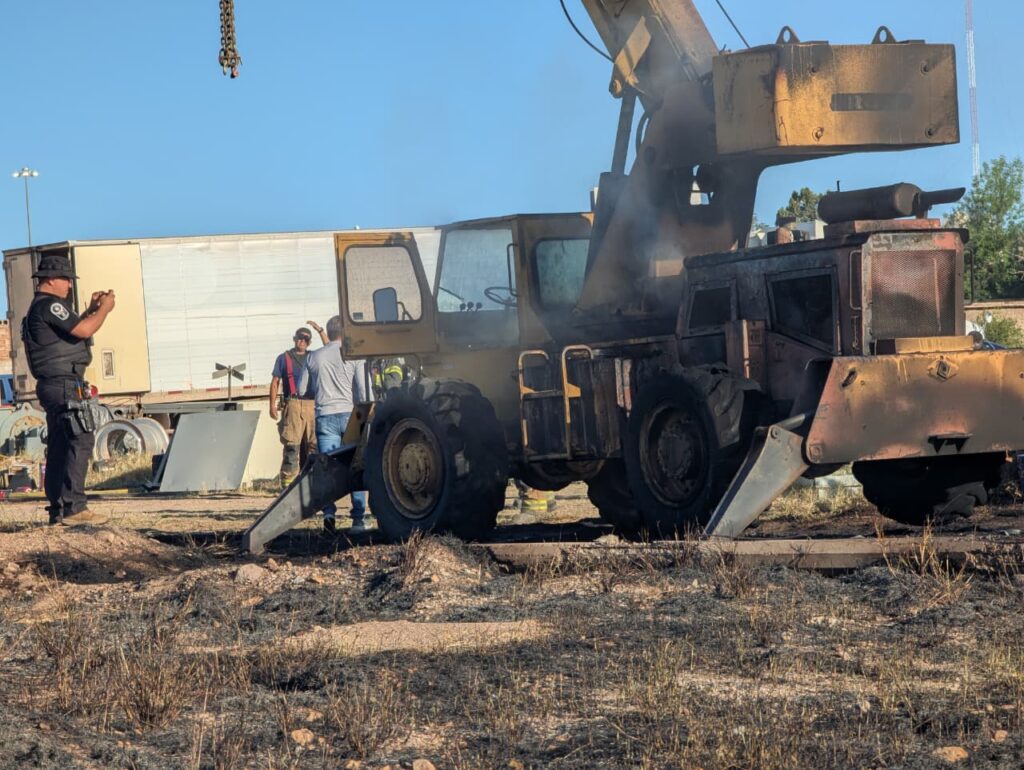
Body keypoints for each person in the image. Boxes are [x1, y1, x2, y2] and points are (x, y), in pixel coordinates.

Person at [22, 254, 116, 526]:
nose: (69, 286)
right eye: (65, 280)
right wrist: (105, 309)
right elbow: (84, 331)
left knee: (61, 444)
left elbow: (71, 332)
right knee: (81, 438)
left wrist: (91, 309)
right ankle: (75, 507)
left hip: (55, 384)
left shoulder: (40, 308)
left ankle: (59, 510)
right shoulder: (50, 306)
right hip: (63, 384)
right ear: (50, 279)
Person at [298, 315, 371, 533]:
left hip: (324, 415)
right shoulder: (354, 356)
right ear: (346, 332)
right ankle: (358, 520)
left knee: (328, 467)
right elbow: (364, 391)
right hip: (351, 415)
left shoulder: (313, 357)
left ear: (327, 333)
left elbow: (302, 390)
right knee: (356, 467)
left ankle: (329, 513)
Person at [269, 321, 328, 486]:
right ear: (294, 339)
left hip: (313, 405)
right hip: (293, 405)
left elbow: (330, 347)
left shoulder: (315, 356)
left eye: (305, 339)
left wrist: (320, 330)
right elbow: (275, 382)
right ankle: (287, 486)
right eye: (298, 338)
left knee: (314, 447)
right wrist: (272, 405)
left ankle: (312, 484)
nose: (301, 341)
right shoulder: (283, 358)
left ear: (309, 342)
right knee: (291, 447)